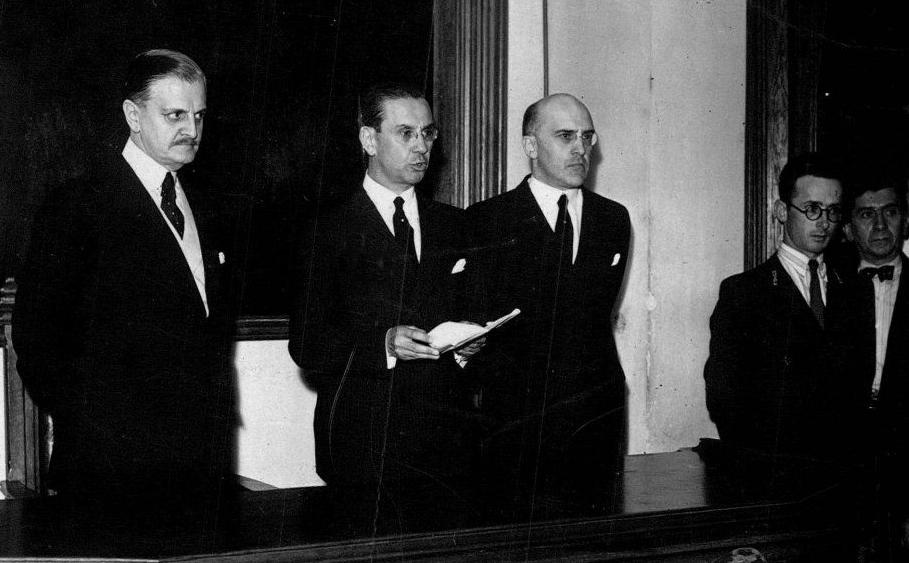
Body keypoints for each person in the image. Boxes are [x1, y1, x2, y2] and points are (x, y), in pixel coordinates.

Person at [13, 50, 236, 508]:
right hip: (111, 474)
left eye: (199, 116)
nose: (192, 131)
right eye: (174, 115)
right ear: (133, 115)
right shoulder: (77, 206)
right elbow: (37, 343)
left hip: (200, 468)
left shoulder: (206, 205)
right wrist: (101, 428)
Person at [287, 83, 481, 532]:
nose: (421, 147)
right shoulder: (326, 229)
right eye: (406, 133)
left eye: (428, 134)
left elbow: (472, 314)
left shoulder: (454, 225)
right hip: (363, 446)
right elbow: (307, 346)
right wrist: (385, 345)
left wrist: (473, 346)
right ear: (368, 140)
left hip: (446, 447)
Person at [465, 93, 631, 516]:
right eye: (565, 136)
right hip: (516, 425)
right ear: (531, 145)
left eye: (587, 137)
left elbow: (593, 317)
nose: (581, 149)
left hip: (596, 419)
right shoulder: (487, 220)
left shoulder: (613, 219)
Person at [704, 152, 868, 461]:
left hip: (839, 475)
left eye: (833, 211)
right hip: (774, 474)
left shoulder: (854, 290)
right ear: (781, 211)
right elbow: (723, 399)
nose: (823, 223)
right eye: (811, 209)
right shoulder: (743, 292)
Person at [843, 169, 909, 557]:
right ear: (849, 227)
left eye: (891, 212)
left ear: (905, 218)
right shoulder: (828, 290)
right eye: (867, 214)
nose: (881, 225)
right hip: (845, 462)